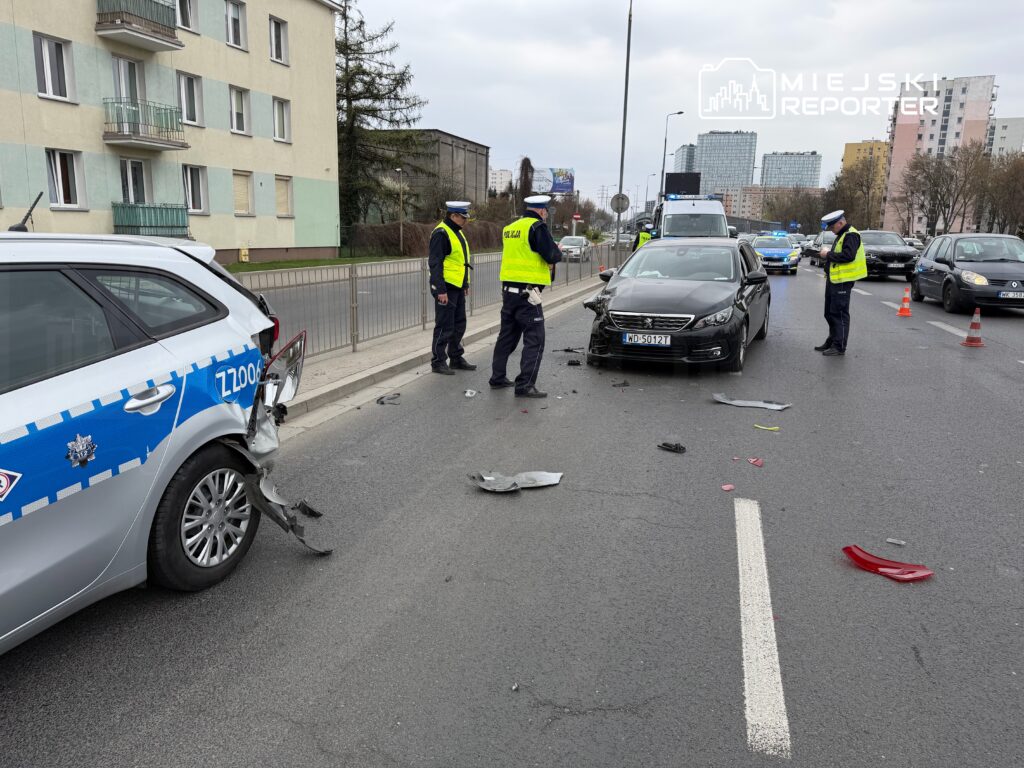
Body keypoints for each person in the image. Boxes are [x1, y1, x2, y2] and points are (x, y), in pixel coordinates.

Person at [489, 195, 562, 398]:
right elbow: (552, 255)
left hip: (508, 292)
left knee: (506, 337)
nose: (546, 215)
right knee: (535, 339)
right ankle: (525, 385)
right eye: (546, 211)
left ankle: (497, 377)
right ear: (541, 211)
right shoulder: (536, 227)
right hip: (528, 295)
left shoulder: (511, 228)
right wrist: (557, 251)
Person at [428, 201, 476, 374]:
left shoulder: (456, 232)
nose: (465, 221)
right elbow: (435, 263)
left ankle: (455, 357)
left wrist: (464, 284)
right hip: (446, 287)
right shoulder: (441, 233)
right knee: (444, 326)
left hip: (456, 286)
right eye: (463, 217)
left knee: (458, 325)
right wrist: (440, 290)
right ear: (453, 216)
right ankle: (438, 361)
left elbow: (460, 262)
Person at [815, 209, 867, 357]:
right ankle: (832, 341)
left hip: (843, 281)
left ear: (840, 222)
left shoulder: (851, 234)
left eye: (833, 227)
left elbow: (848, 256)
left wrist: (828, 254)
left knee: (839, 314)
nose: (832, 230)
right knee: (829, 313)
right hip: (834, 280)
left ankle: (839, 346)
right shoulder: (842, 234)